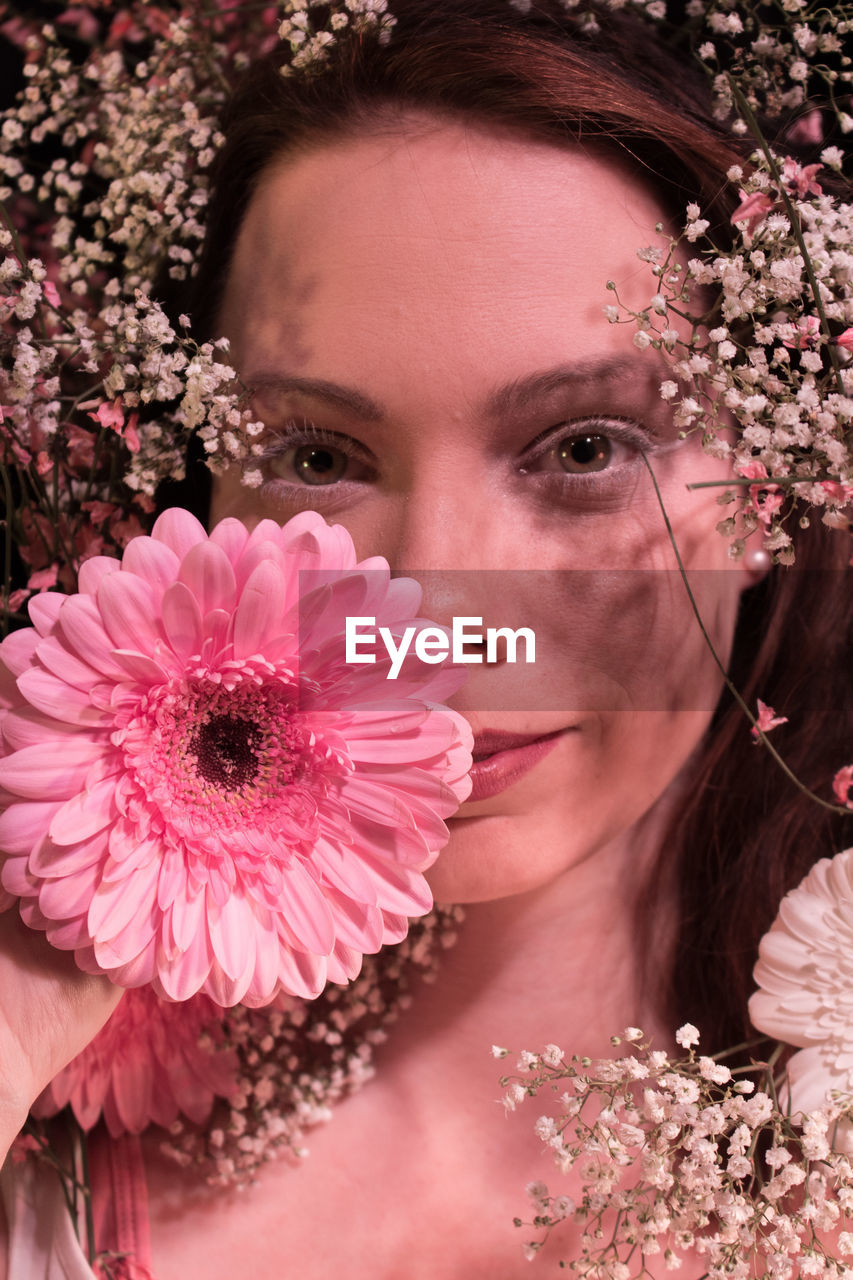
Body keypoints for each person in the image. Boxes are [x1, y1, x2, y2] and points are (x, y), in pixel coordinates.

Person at [0, 1, 851, 1276]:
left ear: (771, 484)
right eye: (323, 456)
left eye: (582, 449)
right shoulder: (40, 1107)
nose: (437, 617)